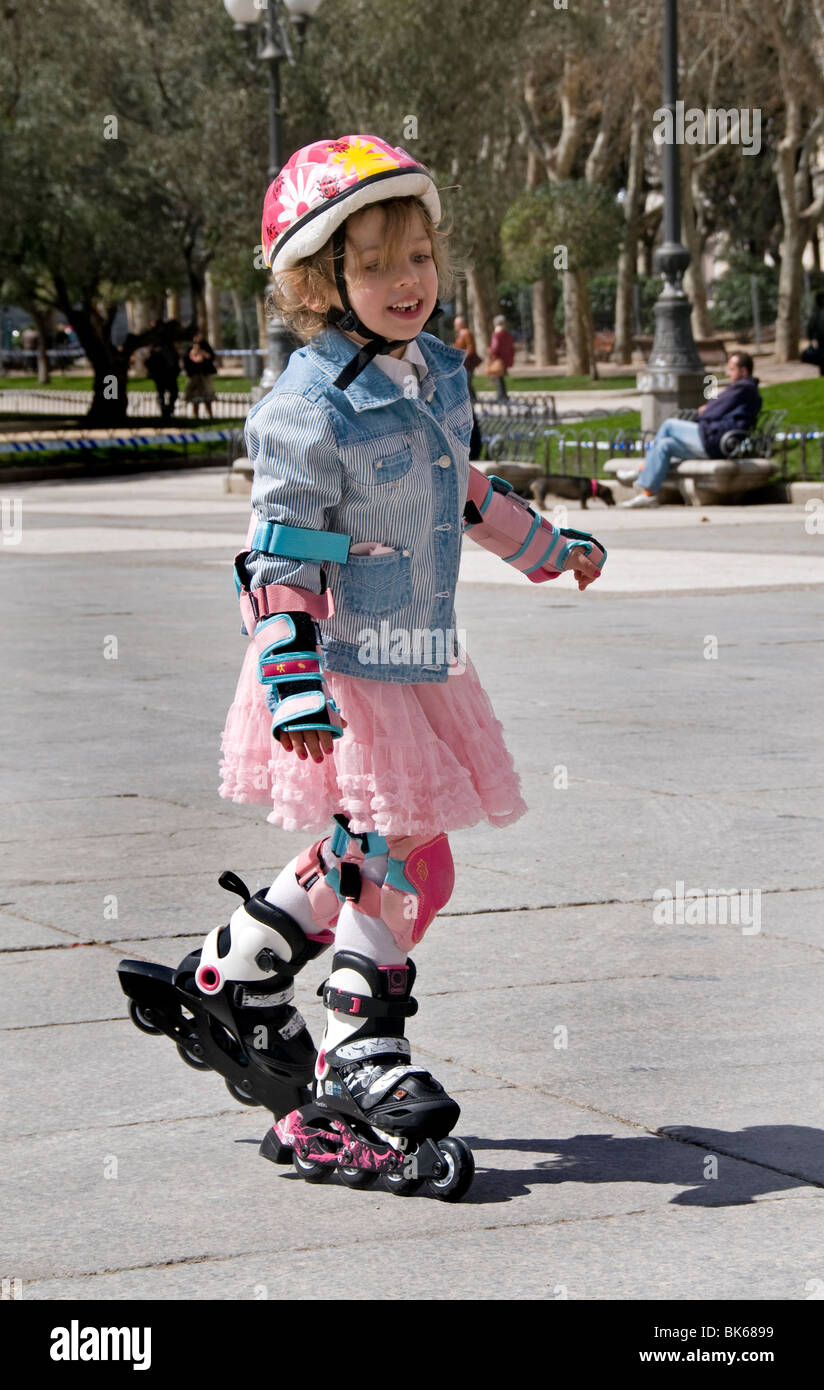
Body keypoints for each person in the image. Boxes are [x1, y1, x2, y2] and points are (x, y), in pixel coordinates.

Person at [202, 133, 606, 1178]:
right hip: (341, 668)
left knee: (367, 847)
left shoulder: (435, 374)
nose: (404, 280)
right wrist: (290, 681)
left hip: (420, 657)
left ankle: (240, 968)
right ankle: (356, 1061)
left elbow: (461, 490)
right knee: (405, 857)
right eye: (374, 262)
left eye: (416, 255)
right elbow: (279, 556)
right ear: (318, 277)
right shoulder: (307, 404)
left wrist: (546, 548)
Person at [619, 352, 762, 508]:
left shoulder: (744, 388)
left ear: (744, 371)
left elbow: (715, 409)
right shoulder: (744, 389)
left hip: (714, 440)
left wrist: (705, 410)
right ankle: (648, 495)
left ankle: (643, 469)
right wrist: (707, 411)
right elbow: (719, 408)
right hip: (713, 439)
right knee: (665, 445)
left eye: (732, 369)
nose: (728, 373)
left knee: (669, 425)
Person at [183, 331, 218, 418]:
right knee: (195, 398)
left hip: (205, 375)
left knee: (207, 397)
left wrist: (202, 352)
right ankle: (196, 416)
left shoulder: (206, 347)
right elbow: (187, 360)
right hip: (194, 375)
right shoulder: (189, 348)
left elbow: (211, 357)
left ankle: (210, 415)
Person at [488, 314, 515, 403]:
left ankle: (501, 397)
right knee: (501, 378)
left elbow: (495, 348)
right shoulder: (507, 334)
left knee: (498, 379)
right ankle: (504, 396)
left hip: (498, 360)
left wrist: (490, 351)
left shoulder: (496, 334)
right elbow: (511, 347)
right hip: (506, 359)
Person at [453, 315, 480, 402]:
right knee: (466, 381)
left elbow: (470, 348)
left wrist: (463, 358)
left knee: (467, 381)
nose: (455, 327)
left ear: (461, 324)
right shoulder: (460, 334)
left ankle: (472, 399)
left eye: (456, 324)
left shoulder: (466, 333)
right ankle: (472, 398)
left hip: (467, 362)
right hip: (462, 362)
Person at [802, 291, 824, 375]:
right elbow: (811, 328)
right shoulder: (816, 313)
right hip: (821, 340)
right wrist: (811, 339)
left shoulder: (817, 312)